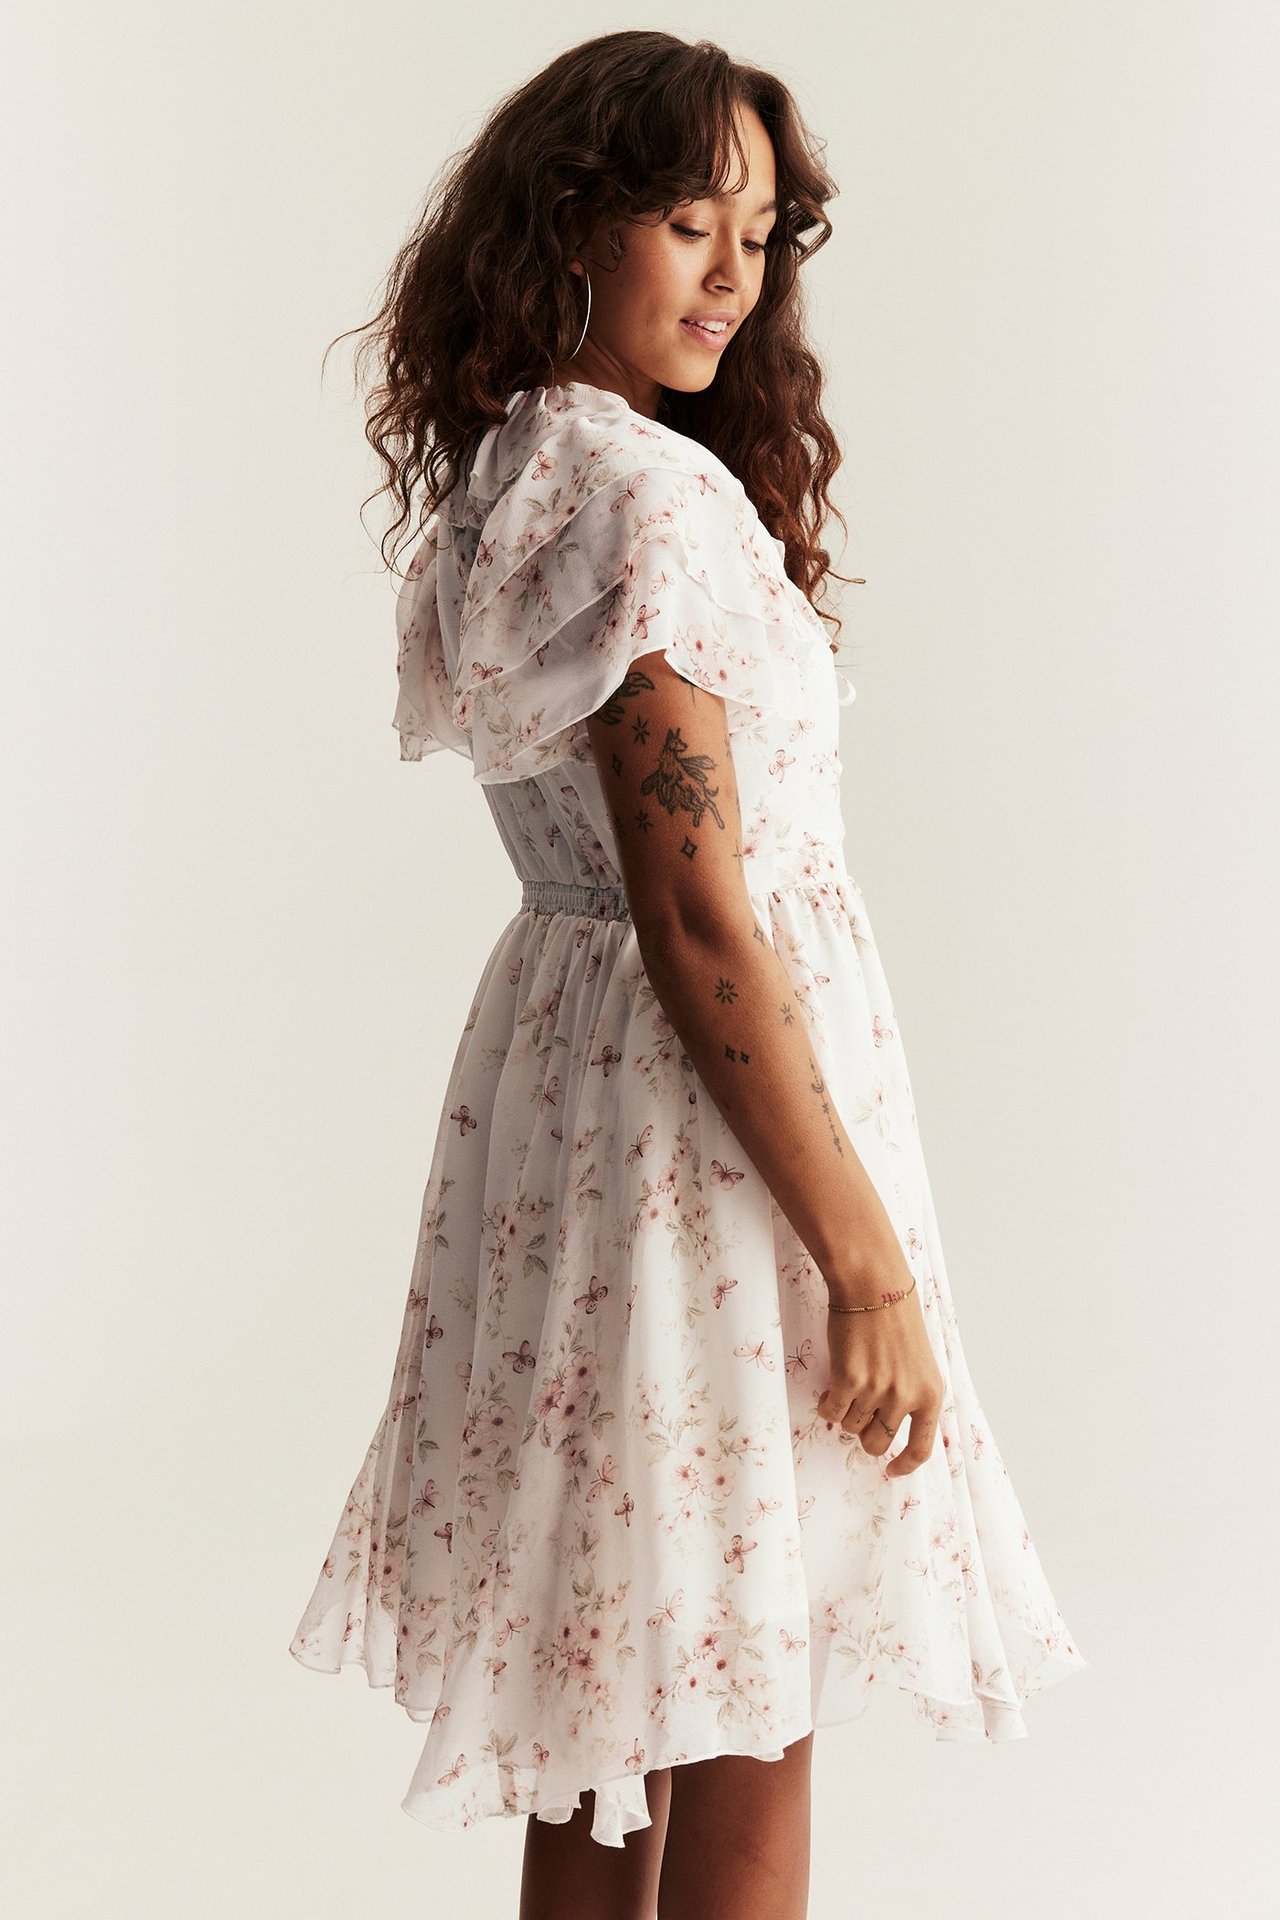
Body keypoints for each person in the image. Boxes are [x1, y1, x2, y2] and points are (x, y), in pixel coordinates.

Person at [288, 31, 1089, 1920]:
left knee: (612, 1710)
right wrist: (866, 1260)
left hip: (588, 1109)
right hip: (709, 1141)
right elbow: (701, 912)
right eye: (684, 220)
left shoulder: (517, 479)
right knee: (746, 1688)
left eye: (761, 231)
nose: (734, 273)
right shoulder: (645, 502)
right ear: (571, 223)